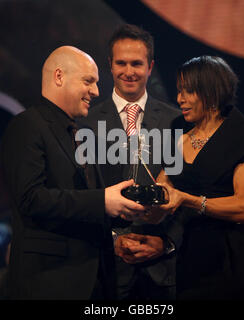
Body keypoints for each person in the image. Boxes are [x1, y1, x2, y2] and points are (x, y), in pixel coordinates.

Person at [0, 46, 147, 299]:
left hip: (95, 283)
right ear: (59, 77)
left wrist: (128, 210)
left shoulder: (79, 133)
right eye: (88, 81)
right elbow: (31, 199)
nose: (96, 91)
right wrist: (103, 201)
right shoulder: (27, 126)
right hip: (50, 283)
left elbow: (86, 204)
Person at [145, 56, 244, 299]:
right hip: (190, 255)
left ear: (211, 93)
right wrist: (146, 205)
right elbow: (165, 187)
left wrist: (188, 200)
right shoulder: (178, 129)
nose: (180, 99)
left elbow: (243, 208)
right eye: (179, 90)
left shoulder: (243, 137)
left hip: (230, 260)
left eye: (188, 91)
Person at [79, 24, 185, 300]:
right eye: (121, 63)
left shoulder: (177, 122)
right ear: (110, 66)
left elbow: (190, 192)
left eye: (136, 63)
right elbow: (78, 195)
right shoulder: (85, 123)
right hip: (105, 271)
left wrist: (166, 242)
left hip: (163, 273)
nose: (129, 71)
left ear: (150, 67)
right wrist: (113, 240)